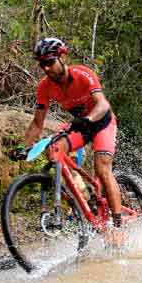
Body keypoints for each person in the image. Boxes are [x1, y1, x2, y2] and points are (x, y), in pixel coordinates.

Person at [22, 37, 123, 228]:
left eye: (50, 62)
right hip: (80, 126)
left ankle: (118, 226)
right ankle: (83, 194)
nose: (46, 68)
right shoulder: (44, 86)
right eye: (42, 64)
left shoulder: (83, 74)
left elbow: (102, 104)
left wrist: (89, 119)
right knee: (54, 149)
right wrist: (23, 147)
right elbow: (37, 123)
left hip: (102, 122)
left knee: (102, 168)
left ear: (62, 58)